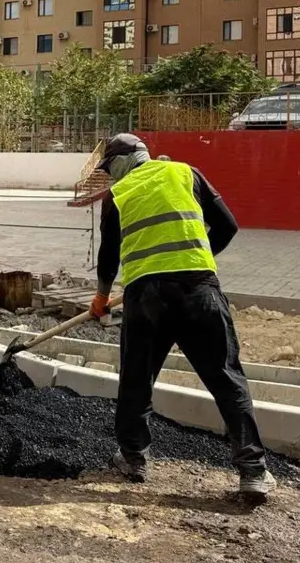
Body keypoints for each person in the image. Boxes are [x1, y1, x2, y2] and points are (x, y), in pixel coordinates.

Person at [92, 134, 275, 500]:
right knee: (227, 379)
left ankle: (133, 458)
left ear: (123, 162)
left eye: (111, 167)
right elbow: (227, 226)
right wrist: (196, 256)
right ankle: (253, 471)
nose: (111, 175)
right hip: (197, 289)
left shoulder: (118, 196)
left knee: (136, 380)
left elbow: (109, 254)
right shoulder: (185, 173)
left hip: (145, 297)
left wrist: (100, 295)